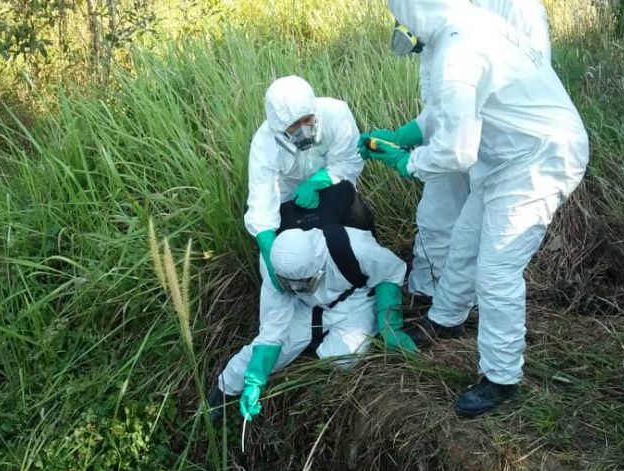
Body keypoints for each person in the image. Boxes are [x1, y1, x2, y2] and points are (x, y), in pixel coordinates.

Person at [362, 0, 589, 417]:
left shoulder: (458, 49)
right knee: (467, 239)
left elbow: (457, 150)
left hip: (541, 156)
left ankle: (502, 377)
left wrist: (406, 161)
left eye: (398, 15)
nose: (398, 25)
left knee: (497, 269)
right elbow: (448, 111)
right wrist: (403, 134)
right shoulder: (465, 25)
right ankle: (446, 318)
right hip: (512, 156)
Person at [369, 0, 552, 303]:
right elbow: (441, 98)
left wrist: (411, 161)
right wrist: (408, 133)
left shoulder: (518, 7)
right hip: (455, 132)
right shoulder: (435, 13)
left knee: (490, 230)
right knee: (436, 212)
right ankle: (427, 293)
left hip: (504, 139)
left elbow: (528, 79)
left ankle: (472, 301)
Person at [207, 226, 416, 422]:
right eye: (289, 284)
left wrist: (390, 326)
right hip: (305, 308)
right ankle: (223, 390)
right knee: (272, 352)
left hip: (353, 302)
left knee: (344, 360)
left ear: (318, 265)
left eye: (304, 283)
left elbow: (391, 271)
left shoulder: (351, 246)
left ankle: (314, 346)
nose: (296, 287)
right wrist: (254, 379)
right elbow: (272, 331)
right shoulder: (275, 270)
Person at [245, 76, 370, 290]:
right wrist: (269, 251)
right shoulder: (264, 142)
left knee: (352, 233)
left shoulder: (336, 114)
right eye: (294, 125)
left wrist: (316, 182)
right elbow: (262, 199)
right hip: (289, 198)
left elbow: (349, 161)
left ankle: (361, 273)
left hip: (333, 185)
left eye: (307, 119)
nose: (303, 128)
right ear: (279, 127)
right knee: (292, 255)